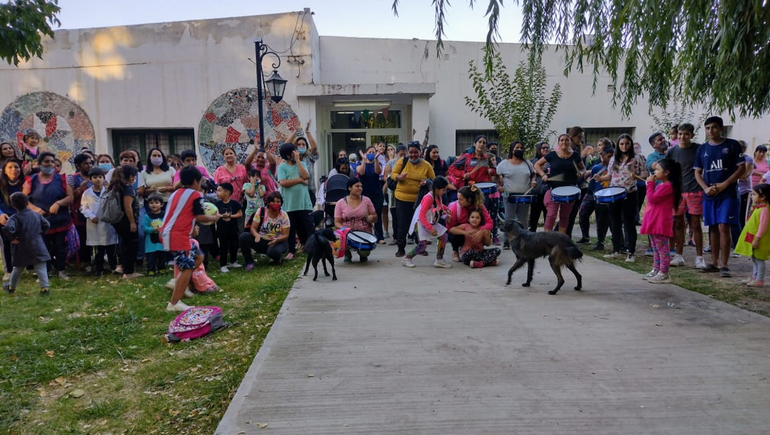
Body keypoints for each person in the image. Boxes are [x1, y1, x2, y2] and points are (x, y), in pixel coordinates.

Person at [161, 166, 220, 312]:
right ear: (195, 181)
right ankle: (174, 303)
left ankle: (178, 281)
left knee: (199, 257)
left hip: (170, 233)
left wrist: (192, 229)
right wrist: (214, 217)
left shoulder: (176, 193)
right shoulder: (196, 195)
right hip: (177, 235)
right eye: (200, 181)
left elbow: (184, 214)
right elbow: (200, 216)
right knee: (187, 268)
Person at [694, 116, 746, 277]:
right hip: (709, 194)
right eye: (708, 128)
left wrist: (725, 184)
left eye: (714, 127)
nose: (711, 131)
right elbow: (697, 172)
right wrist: (705, 188)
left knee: (724, 226)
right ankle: (714, 262)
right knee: (713, 227)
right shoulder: (702, 149)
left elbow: (741, 169)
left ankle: (725, 264)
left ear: (721, 128)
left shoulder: (732, 145)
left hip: (728, 193)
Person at [23, 152, 73, 280]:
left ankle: (61, 270)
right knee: (42, 247)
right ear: (39, 164)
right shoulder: (31, 180)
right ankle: (46, 271)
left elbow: (70, 197)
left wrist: (58, 203)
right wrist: (34, 209)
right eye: (46, 161)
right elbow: (23, 200)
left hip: (59, 220)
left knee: (59, 246)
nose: (50, 164)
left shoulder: (62, 179)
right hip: (39, 220)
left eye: (52, 161)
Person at [600, 134, 647, 261]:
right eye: (621, 144)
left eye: (627, 143)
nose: (624, 146)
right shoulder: (614, 158)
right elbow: (610, 175)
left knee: (629, 223)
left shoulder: (637, 158)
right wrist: (600, 178)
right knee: (614, 222)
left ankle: (631, 252)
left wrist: (636, 175)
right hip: (614, 193)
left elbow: (645, 173)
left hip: (629, 193)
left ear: (630, 144)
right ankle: (616, 249)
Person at [666, 123, 706, 269]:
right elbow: (667, 170)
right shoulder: (671, 152)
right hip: (678, 192)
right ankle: (678, 255)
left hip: (695, 190)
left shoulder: (698, 149)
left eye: (686, 134)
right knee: (677, 222)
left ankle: (700, 257)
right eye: (680, 133)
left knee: (695, 223)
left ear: (692, 135)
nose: (683, 137)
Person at [448, 135, 499, 243]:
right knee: (469, 214)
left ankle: (481, 237)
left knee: (480, 214)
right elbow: (452, 168)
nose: (481, 144)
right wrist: (463, 174)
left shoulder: (486, 158)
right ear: (475, 144)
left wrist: (492, 171)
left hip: (483, 189)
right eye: (479, 142)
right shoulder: (467, 157)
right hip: (470, 189)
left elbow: (494, 170)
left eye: (484, 143)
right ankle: (466, 238)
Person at [640, 158, 683, 283]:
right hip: (654, 219)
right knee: (655, 247)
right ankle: (656, 269)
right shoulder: (662, 185)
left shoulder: (668, 186)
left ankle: (663, 272)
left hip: (660, 221)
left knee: (662, 248)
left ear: (666, 172)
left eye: (658, 170)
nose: (655, 172)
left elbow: (652, 198)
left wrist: (650, 184)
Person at [390, 141, 436, 257]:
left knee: (419, 224)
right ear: (407, 153)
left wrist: (427, 182)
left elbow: (433, 180)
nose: (413, 155)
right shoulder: (402, 161)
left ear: (420, 153)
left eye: (416, 152)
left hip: (420, 200)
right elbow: (393, 174)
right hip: (402, 198)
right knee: (402, 224)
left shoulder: (426, 165)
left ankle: (420, 247)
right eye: (411, 152)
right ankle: (401, 248)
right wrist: (399, 177)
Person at [534, 134, 586, 233]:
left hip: (570, 189)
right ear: (558, 142)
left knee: (565, 216)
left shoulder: (575, 155)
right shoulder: (552, 155)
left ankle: (561, 238)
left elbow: (583, 168)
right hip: (553, 188)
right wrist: (543, 175)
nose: (564, 142)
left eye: (566, 140)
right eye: (562, 140)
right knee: (551, 214)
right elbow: (537, 164)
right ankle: (547, 238)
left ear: (569, 142)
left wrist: (581, 173)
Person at [2, 193, 51, 295]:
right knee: (41, 267)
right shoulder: (36, 215)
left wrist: (12, 238)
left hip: (21, 247)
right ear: (27, 202)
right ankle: (44, 288)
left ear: (13, 205)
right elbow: (47, 224)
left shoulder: (14, 218)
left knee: (17, 268)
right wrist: (40, 233)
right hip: (38, 245)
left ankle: (11, 287)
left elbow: (7, 228)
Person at [402, 176, 452, 268]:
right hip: (421, 222)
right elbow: (421, 216)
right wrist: (431, 228)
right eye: (443, 190)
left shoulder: (438, 195)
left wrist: (446, 209)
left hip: (430, 221)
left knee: (444, 236)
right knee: (423, 245)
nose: (445, 192)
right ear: (437, 189)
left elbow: (438, 205)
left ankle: (439, 259)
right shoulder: (428, 198)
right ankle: (407, 258)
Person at [277, 142, 313, 260]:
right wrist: (299, 180)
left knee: (307, 227)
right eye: (294, 151)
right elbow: (283, 183)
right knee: (291, 229)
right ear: (288, 155)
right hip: (290, 205)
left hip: (304, 203)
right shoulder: (282, 167)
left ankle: (310, 247)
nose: (297, 153)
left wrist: (298, 161)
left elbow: (306, 176)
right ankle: (291, 250)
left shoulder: (301, 163)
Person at [80, 167, 118, 277]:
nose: (98, 180)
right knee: (99, 249)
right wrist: (91, 216)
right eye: (95, 177)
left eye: (100, 177)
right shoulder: (87, 193)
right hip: (94, 223)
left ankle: (113, 267)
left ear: (104, 178)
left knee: (111, 247)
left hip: (107, 222)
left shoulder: (109, 191)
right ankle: (99, 268)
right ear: (90, 179)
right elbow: (83, 207)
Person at [107, 165, 143, 279]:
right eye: (132, 176)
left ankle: (124, 267)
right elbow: (128, 207)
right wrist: (132, 222)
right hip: (126, 221)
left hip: (119, 221)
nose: (134, 178)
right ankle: (129, 271)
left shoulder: (117, 187)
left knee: (124, 245)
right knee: (131, 246)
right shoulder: (128, 188)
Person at [239, 191, 290, 269]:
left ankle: (276, 258)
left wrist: (276, 240)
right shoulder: (261, 211)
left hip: (278, 241)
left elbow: (286, 235)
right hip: (262, 240)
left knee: (273, 252)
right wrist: (256, 235)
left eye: (278, 201)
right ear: (268, 202)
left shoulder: (284, 215)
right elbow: (253, 228)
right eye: (273, 201)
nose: (276, 204)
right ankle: (249, 262)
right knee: (243, 236)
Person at [497, 141, 537, 234]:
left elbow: (533, 174)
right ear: (512, 149)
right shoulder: (504, 164)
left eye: (521, 148)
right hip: (508, 194)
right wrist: (499, 186)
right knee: (509, 218)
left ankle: (525, 240)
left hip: (524, 195)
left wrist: (533, 181)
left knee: (523, 219)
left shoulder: (527, 163)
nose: (519, 149)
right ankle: (507, 240)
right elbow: (496, 176)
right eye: (517, 147)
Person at [334, 178, 378, 262]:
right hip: (347, 233)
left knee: (365, 253)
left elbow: (375, 217)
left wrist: (372, 218)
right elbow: (337, 222)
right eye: (357, 186)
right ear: (349, 188)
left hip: (364, 233)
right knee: (338, 236)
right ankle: (347, 253)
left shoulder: (366, 200)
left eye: (361, 186)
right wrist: (344, 230)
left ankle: (363, 253)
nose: (360, 188)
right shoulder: (340, 203)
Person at [735, 183, 770, 287]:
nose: (752, 196)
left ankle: (759, 279)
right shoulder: (758, 208)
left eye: (754, 194)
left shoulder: (764, 210)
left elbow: (762, 226)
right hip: (753, 238)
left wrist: (757, 239)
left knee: (759, 259)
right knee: (754, 258)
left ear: (763, 197)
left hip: (759, 239)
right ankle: (754, 277)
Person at [447, 185, 494, 262]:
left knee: (487, 232)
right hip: (463, 231)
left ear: (469, 199)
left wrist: (481, 231)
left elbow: (489, 222)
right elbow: (450, 228)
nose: (458, 201)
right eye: (458, 199)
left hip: (476, 231)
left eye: (461, 199)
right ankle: (455, 250)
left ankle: (479, 251)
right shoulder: (455, 207)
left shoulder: (479, 206)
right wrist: (465, 232)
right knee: (454, 236)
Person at [582, 146, 614, 250]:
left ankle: (617, 241)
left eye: (612, 157)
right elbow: (592, 185)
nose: (610, 159)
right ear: (602, 156)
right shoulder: (596, 168)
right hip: (599, 196)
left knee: (611, 220)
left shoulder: (615, 168)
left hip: (611, 196)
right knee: (600, 220)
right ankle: (600, 241)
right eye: (609, 156)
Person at [68, 153, 94, 270]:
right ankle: (85, 261)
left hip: (95, 211)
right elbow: (70, 197)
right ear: (78, 166)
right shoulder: (73, 178)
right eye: (86, 164)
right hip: (80, 212)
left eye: (90, 163)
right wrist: (80, 190)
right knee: (83, 236)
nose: (89, 166)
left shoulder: (95, 176)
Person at [0, 159, 24, 281]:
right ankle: (8, 270)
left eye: (16, 167)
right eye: (10, 167)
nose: (14, 170)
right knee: (6, 243)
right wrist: (0, 214)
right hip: (5, 217)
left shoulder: (25, 183)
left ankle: (30, 266)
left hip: (22, 216)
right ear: (4, 170)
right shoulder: (1, 184)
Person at [286, 121, 320, 206]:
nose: (301, 146)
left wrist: (307, 131)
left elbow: (314, 148)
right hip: (295, 191)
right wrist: (295, 131)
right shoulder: (291, 159)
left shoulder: (309, 157)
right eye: (299, 144)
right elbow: (285, 146)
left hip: (309, 191)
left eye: (303, 144)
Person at [356, 145, 385, 243]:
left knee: (377, 215)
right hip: (364, 195)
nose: (371, 154)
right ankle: (365, 237)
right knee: (364, 216)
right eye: (370, 152)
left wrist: (376, 159)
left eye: (373, 152)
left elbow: (378, 171)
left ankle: (379, 237)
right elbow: (361, 172)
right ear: (365, 153)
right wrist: (364, 160)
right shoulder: (360, 164)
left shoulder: (378, 163)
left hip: (377, 194)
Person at [214, 182, 243, 272]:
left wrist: (230, 216)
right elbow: (215, 214)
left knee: (234, 245)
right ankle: (223, 265)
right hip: (222, 230)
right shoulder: (217, 204)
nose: (217, 192)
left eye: (219, 190)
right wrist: (220, 216)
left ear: (227, 192)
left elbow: (240, 213)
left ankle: (233, 261)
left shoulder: (234, 203)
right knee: (223, 247)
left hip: (233, 229)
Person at [565, 126, 587, 238]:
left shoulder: (578, 149)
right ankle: (561, 234)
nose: (580, 140)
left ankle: (567, 235)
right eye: (579, 137)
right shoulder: (567, 150)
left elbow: (582, 167)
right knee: (568, 213)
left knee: (572, 213)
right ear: (572, 137)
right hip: (568, 184)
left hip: (578, 183)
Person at [383, 144, 407, 244]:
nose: (402, 157)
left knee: (405, 215)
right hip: (393, 193)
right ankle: (396, 237)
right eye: (400, 155)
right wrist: (395, 178)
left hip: (406, 192)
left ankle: (409, 236)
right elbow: (385, 177)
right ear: (396, 154)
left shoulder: (408, 162)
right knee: (395, 215)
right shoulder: (391, 162)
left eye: (404, 155)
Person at [733, 140, 754, 250]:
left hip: (744, 192)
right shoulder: (732, 158)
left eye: (742, 147)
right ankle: (735, 242)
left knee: (742, 218)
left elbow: (744, 175)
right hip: (733, 191)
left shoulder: (748, 159)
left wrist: (730, 177)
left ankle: (742, 244)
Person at [141, 193, 167, 276]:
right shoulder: (147, 216)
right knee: (151, 257)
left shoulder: (165, 215)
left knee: (162, 256)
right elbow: (144, 227)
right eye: (151, 203)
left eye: (156, 202)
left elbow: (168, 225)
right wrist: (152, 229)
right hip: (151, 242)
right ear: (148, 205)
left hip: (162, 240)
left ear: (161, 204)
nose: (154, 205)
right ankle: (151, 270)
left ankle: (161, 269)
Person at [528, 142, 550, 232]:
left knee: (547, 213)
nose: (546, 149)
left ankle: (546, 233)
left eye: (547, 148)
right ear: (538, 149)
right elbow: (529, 173)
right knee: (534, 213)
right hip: (536, 191)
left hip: (547, 190)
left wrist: (547, 170)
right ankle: (532, 231)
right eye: (543, 147)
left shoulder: (550, 160)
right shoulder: (533, 161)